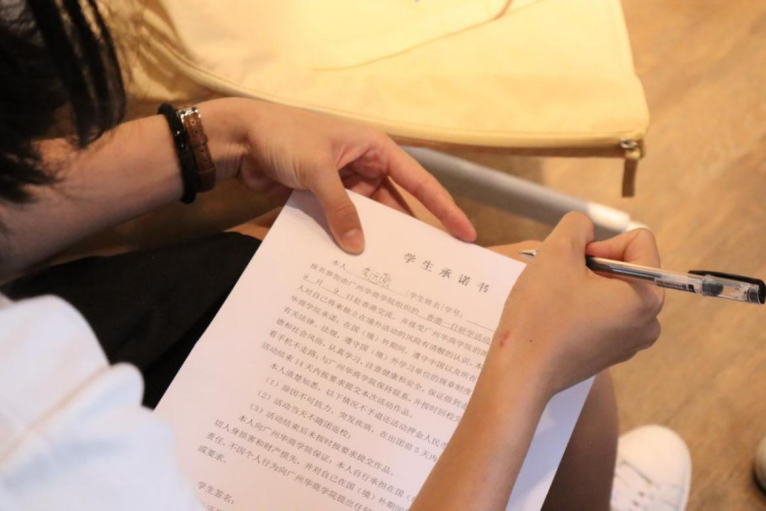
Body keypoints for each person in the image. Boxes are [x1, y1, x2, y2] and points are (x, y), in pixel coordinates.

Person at [0, 1, 690, 510]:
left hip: (70, 341)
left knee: (367, 241)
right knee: (552, 375)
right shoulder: (41, 442)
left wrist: (222, 135)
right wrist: (523, 364)